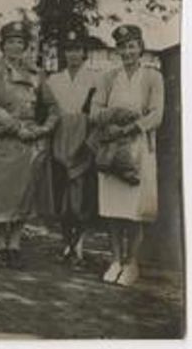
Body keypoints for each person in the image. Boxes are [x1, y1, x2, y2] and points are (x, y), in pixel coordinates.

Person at [0, 21, 59, 269]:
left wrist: (45, 128)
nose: (15, 47)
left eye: (20, 42)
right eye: (11, 42)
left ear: (26, 46)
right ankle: (0, 244)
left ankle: (15, 244)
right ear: (3, 44)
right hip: (0, 139)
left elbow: (53, 107)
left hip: (28, 142)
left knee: (24, 194)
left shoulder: (35, 73)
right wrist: (18, 129)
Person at [89, 24, 164, 286]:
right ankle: (114, 260)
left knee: (134, 210)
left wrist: (132, 126)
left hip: (139, 149)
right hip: (111, 148)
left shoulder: (153, 77)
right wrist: (113, 115)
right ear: (117, 50)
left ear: (140, 47)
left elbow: (157, 114)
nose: (127, 51)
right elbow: (95, 111)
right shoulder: (108, 78)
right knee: (112, 208)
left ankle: (131, 263)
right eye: (122, 47)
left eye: (131, 45)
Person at [47, 26, 99, 266]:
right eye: (69, 50)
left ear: (84, 52)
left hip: (84, 141)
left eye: (77, 49)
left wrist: (89, 141)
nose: (73, 55)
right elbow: (48, 112)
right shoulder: (54, 80)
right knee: (61, 194)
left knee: (82, 195)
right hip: (59, 141)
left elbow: (97, 114)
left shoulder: (95, 79)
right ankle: (66, 243)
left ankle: (79, 245)